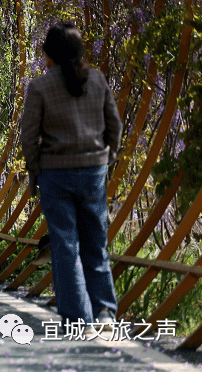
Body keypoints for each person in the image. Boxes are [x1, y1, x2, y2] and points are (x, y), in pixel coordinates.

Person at [21, 22, 122, 332]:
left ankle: (79, 319)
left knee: (65, 245)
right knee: (96, 242)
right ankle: (105, 311)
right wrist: (109, 158)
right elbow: (114, 125)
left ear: (48, 55)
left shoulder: (39, 87)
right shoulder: (97, 79)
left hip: (56, 173)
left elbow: (29, 136)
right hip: (93, 171)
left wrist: (36, 171)